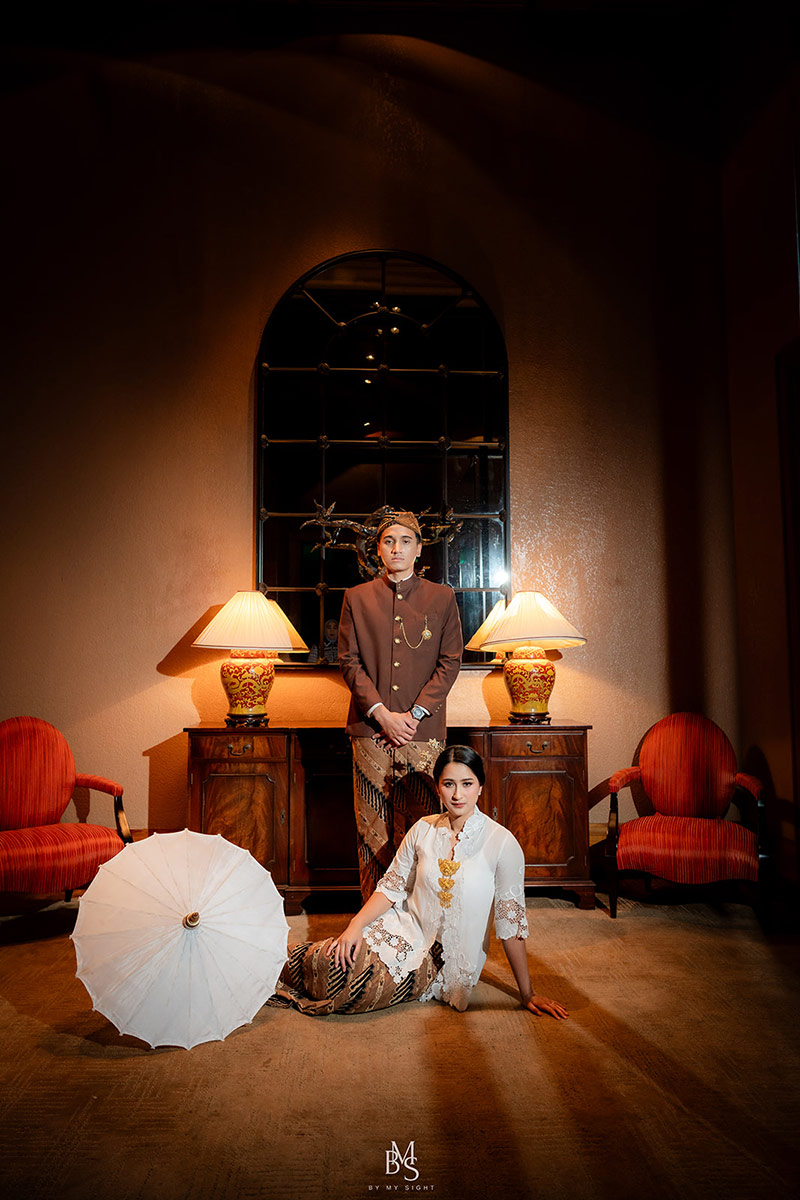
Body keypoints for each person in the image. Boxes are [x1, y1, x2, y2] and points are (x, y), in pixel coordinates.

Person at [271, 745, 569, 1019]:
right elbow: (390, 888)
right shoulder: (423, 829)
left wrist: (527, 993)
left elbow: (510, 926)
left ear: (480, 786)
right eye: (448, 784)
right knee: (330, 960)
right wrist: (355, 926)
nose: (457, 795)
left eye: (467, 784)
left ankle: (276, 965)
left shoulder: (502, 843)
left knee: (341, 989)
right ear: (438, 787)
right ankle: (270, 956)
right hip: (401, 931)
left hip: (442, 962)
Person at [337, 511, 463, 900]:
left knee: (425, 827)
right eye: (389, 541)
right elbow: (348, 661)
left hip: (422, 731)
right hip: (370, 731)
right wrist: (381, 714)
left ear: (418, 549)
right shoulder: (356, 597)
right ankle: (375, 919)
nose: (397, 548)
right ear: (378, 549)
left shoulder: (442, 597)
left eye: (406, 541)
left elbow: (450, 661)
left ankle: (421, 913)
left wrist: (414, 715)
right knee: (372, 828)